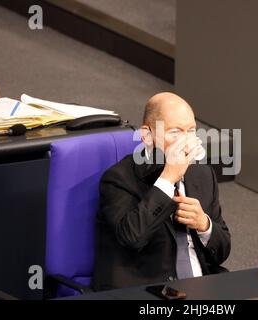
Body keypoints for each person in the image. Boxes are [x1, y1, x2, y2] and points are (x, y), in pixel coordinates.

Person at [92, 92, 231, 290]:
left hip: (202, 289)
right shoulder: (118, 179)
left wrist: (204, 225)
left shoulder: (202, 174)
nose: (186, 142)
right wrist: (168, 179)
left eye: (191, 131)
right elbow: (132, 237)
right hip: (147, 291)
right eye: (175, 132)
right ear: (147, 135)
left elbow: (222, 251)